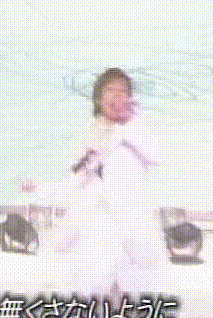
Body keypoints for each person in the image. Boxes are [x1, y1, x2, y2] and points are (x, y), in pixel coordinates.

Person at [22, 67, 168, 297]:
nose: (117, 96)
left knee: (139, 294)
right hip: (99, 224)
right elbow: (74, 181)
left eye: (123, 91)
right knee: (87, 287)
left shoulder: (140, 128)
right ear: (99, 99)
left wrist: (126, 128)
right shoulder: (90, 136)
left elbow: (156, 155)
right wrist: (39, 187)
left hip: (133, 223)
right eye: (110, 90)